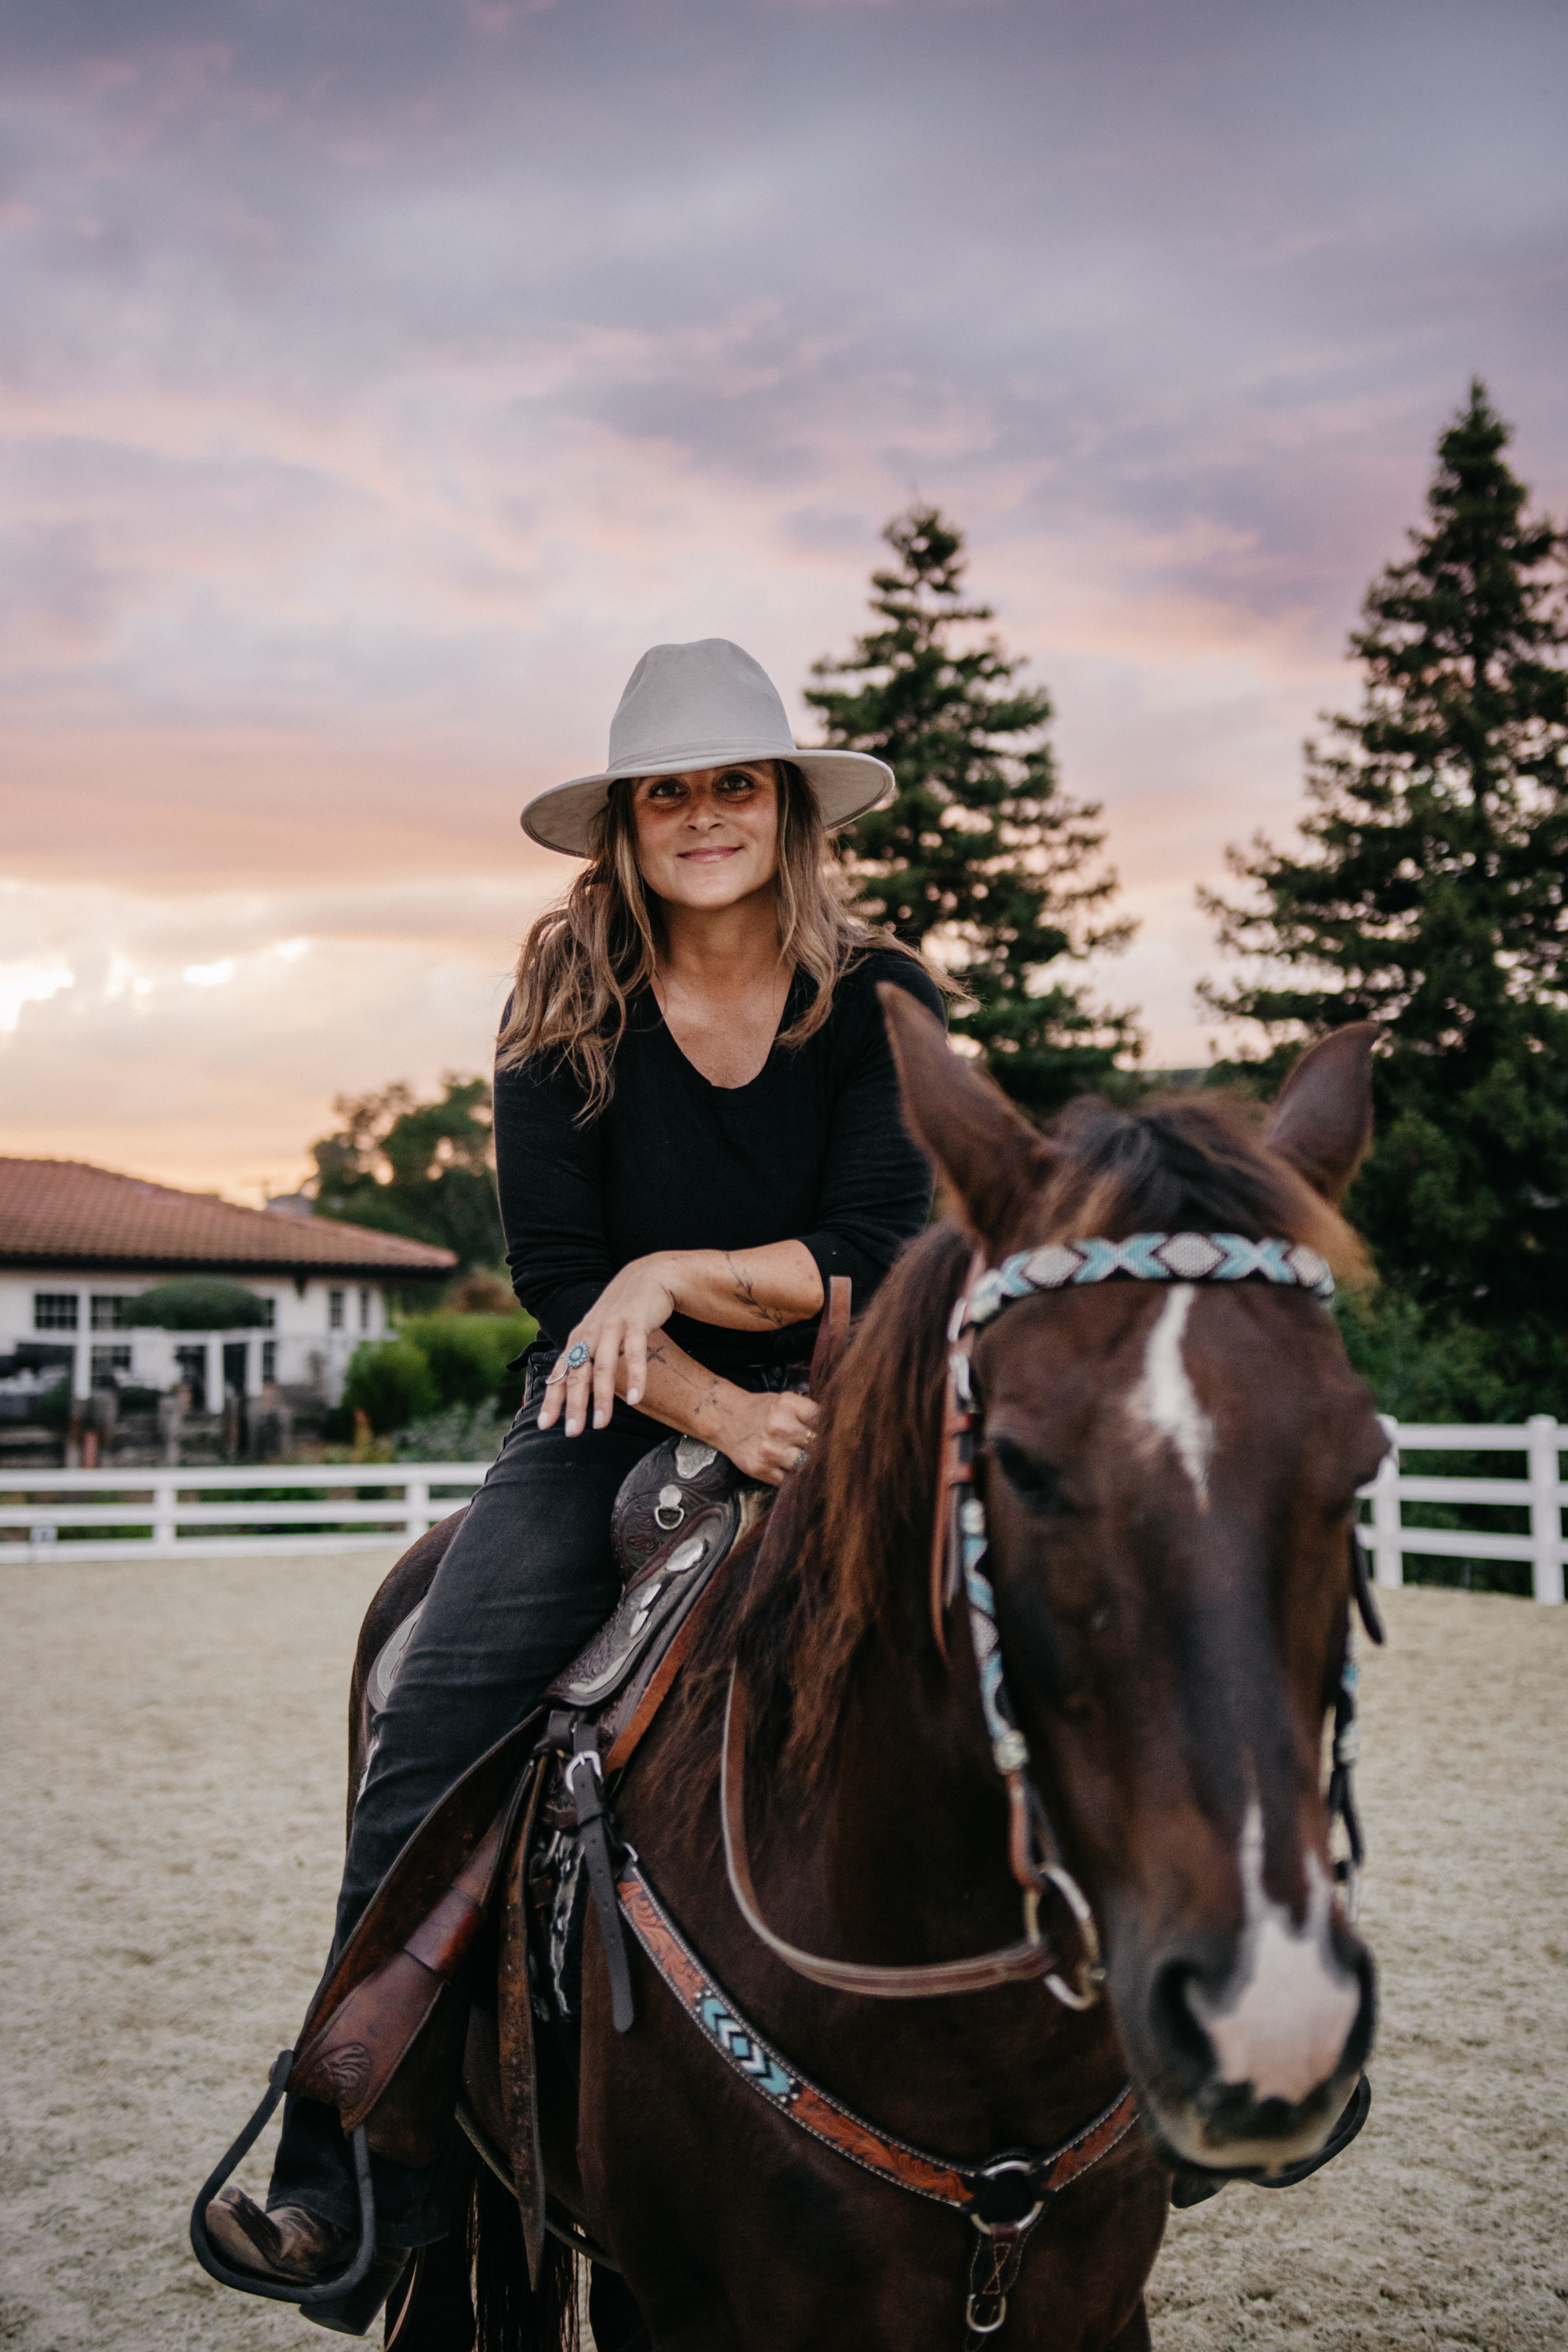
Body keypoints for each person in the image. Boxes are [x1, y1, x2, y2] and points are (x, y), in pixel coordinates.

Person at [205, 637, 947, 2314]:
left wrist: (669, 1272)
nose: (701, 814)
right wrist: (698, 1393)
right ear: (624, 823)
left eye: (731, 783)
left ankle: (1160, 2058)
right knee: (437, 1712)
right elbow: (556, 1272)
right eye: (666, 790)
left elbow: (881, 1245)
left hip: (849, 1394)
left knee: (1043, 1642)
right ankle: (346, 2161)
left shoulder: (882, 994)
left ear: (785, 808)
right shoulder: (560, 1004)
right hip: (599, 1411)